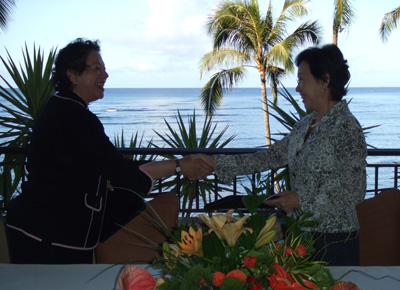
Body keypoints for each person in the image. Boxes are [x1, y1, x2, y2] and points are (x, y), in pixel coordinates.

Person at [5, 38, 214, 264]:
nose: (105, 75)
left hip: (43, 230)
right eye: (97, 69)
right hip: (48, 236)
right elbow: (119, 171)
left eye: (104, 69)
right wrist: (180, 166)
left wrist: (180, 165)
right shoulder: (75, 117)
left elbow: (106, 165)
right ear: (73, 75)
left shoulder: (63, 108)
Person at [206, 44, 367, 266]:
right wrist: (215, 163)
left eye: (302, 79)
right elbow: (269, 157)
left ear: (325, 81)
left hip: (334, 239)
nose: (298, 88)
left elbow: (354, 189)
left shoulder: (346, 127)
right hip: (301, 233)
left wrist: (302, 200)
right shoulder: (305, 125)